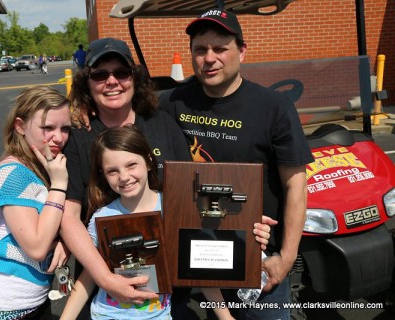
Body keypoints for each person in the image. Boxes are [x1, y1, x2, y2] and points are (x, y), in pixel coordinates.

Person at [62, 37, 274, 317]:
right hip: (108, 288)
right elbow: (68, 214)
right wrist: (106, 279)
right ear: (87, 82)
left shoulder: (161, 122)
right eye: (100, 75)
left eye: (121, 73)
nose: (111, 81)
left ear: (134, 78)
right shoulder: (77, 133)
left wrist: (245, 224)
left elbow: (191, 201)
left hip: (171, 292)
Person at [157, 9, 314, 320]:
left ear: (242, 50)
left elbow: (296, 183)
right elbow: (120, 109)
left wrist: (286, 258)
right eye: (200, 50)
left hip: (256, 256)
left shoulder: (274, 107)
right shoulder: (171, 102)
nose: (209, 58)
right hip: (193, 250)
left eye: (220, 48)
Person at [61, 125, 243, 320]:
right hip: (106, 315)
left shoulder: (175, 209)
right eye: (112, 171)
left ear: (148, 162)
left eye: (131, 165)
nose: (124, 177)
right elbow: (89, 277)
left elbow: (199, 266)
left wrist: (225, 316)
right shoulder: (101, 217)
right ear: (103, 174)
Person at [0, 86, 72, 319]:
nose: (59, 137)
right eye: (47, 127)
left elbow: (46, 222)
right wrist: (59, 185)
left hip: (28, 302)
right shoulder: (14, 174)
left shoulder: (42, 165)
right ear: (20, 126)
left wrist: (64, 241)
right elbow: (36, 247)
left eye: (65, 128)